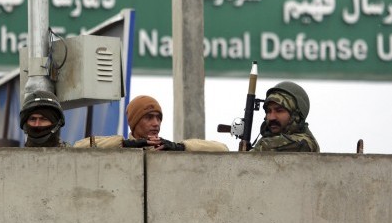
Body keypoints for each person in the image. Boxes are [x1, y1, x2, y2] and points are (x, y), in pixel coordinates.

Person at [74, 95, 228, 152]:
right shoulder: (119, 149)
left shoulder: (166, 149)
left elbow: (222, 149)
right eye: (148, 117)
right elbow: (79, 147)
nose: (156, 123)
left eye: (158, 118)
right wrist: (126, 145)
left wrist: (181, 147)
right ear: (134, 122)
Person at [250, 81, 320, 152]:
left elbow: (267, 146)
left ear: (295, 115)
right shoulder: (265, 140)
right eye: (268, 111)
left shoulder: (306, 143)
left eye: (279, 110)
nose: (272, 117)